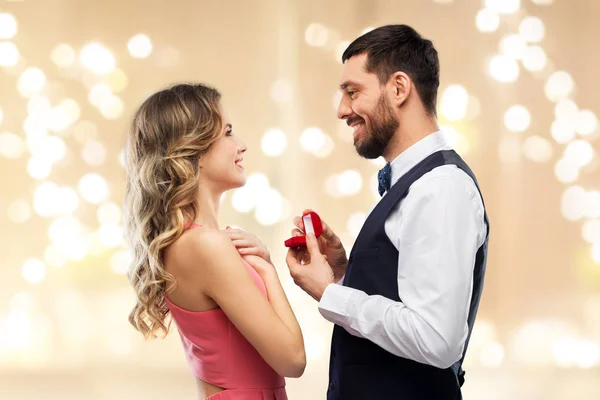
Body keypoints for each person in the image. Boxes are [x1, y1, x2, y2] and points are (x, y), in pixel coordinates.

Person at [286, 24, 490, 399]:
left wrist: (331, 293)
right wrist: (346, 274)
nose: (342, 110)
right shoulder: (418, 184)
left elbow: (436, 338)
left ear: (399, 88)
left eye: (352, 92)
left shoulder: (440, 186)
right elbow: (403, 301)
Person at [124, 83, 305, 400]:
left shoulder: (191, 242)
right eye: (228, 132)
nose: (241, 145)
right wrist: (267, 272)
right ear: (193, 149)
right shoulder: (205, 245)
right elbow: (292, 359)